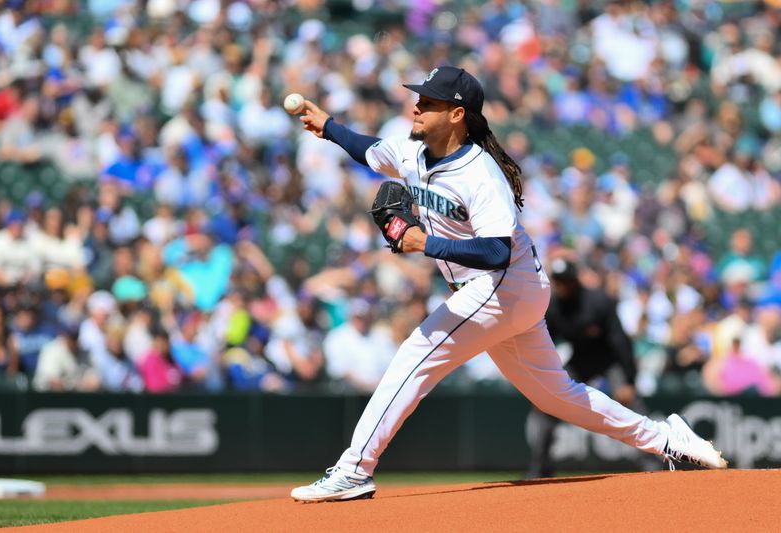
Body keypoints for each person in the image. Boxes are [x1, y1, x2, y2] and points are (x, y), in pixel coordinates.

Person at [290, 66, 726, 503]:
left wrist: (424, 242)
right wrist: (327, 126)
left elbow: (496, 252)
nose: (417, 106)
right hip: (509, 290)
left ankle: (354, 470)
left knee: (416, 354)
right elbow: (370, 150)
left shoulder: (480, 173)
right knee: (557, 396)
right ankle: (667, 438)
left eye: (429, 101)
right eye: (419, 98)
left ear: (457, 114)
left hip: (501, 283)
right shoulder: (413, 151)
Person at [525, 258, 658, 478]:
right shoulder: (553, 306)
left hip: (609, 360)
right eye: (558, 281)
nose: (561, 286)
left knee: (631, 403)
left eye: (565, 280)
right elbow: (542, 343)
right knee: (545, 405)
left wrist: (629, 381)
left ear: (575, 280)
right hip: (580, 361)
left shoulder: (598, 300)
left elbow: (620, 342)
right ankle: (540, 468)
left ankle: (652, 463)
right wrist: (541, 385)